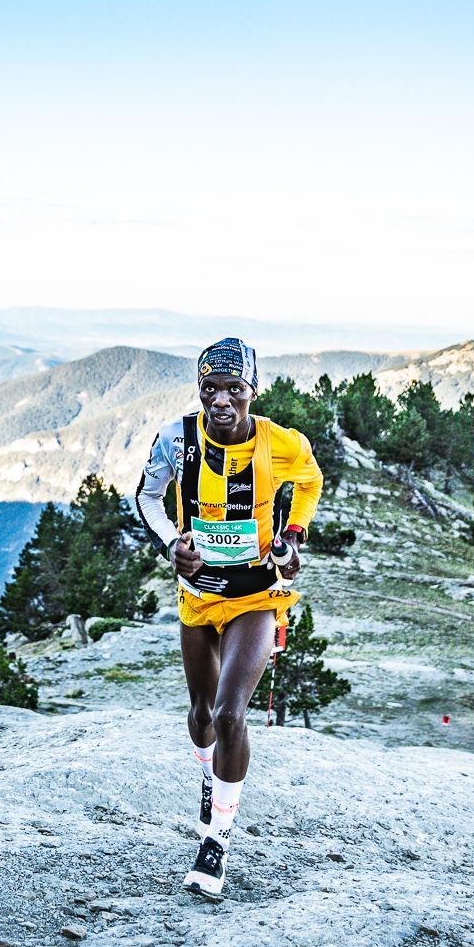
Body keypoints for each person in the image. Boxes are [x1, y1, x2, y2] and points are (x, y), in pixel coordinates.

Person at [132, 338, 325, 901]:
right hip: (200, 591)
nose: (221, 401)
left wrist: (293, 537)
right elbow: (146, 496)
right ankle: (210, 778)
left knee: (229, 713)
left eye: (233, 389)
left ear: (252, 391)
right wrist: (173, 543)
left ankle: (215, 842)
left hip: (258, 595)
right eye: (210, 389)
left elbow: (309, 480)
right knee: (200, 717)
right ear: (199, 391)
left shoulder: (279, 443)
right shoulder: (177, 439)